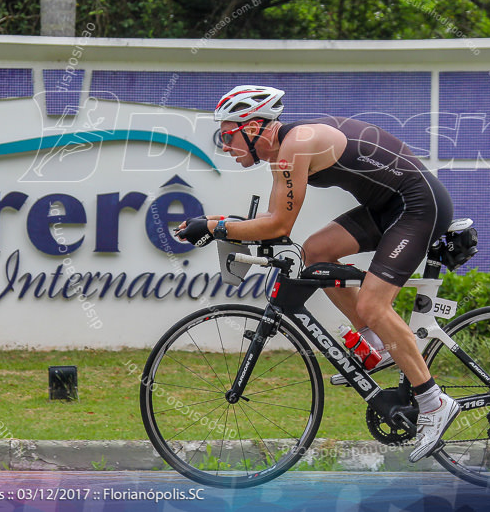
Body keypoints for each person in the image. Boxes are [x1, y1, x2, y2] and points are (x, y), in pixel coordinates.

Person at [176, 85, 459, 462]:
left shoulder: (296, 146)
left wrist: (214, 228)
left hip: (417, 206)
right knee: (315, 253)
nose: (225, 146)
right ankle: (376, 345)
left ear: (256, 126)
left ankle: (433, 401)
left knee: (375, 304)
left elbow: (276, 226)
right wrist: (215, 224)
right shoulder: (284, 153)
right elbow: (272, 223)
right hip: (388, 208)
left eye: (229, 135)